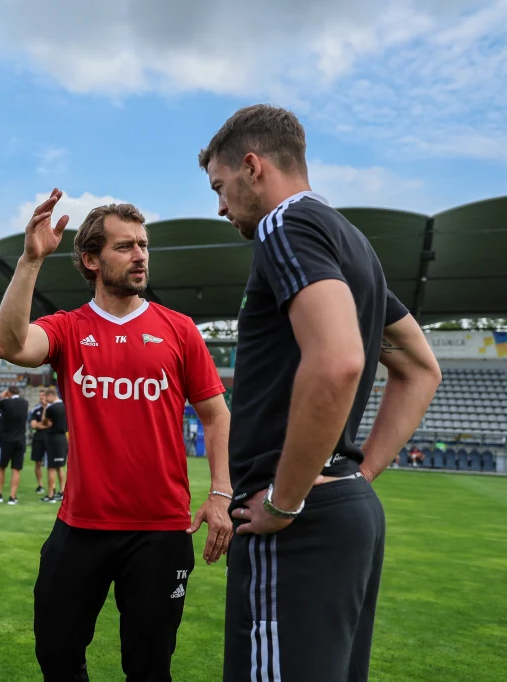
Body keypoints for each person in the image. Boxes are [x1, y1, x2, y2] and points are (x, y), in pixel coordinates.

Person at [200, 104, 441, 682]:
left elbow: (337, 362)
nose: (220, 207)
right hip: (344, 509)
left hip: (297, 523)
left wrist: (286, 500)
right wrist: (357, 474)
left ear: (252, 167)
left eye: (220, 187)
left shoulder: (284, 226)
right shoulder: (352, 242)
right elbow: (419, 367)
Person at [0, 193, 234, 681]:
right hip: (80, 526)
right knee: (56, 654)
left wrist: (221, 493)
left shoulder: (179, 330)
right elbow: (9, 344)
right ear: (91, 259)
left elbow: (215, 415)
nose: (140, 255)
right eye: (125, 247)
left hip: (161, 531)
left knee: (148, 668)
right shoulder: (67, 328)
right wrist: (31, 261)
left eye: (143, 245)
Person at [0, 385, 30, 505]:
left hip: (6, 440)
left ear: (8, 393)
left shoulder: (5, 402)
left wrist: (0, 397)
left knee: (1, 467)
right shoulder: (25, 403)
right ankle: (12, 497)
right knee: (16, 469)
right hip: (20, 440)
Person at [40, 387, 68, 504]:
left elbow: (45, 422)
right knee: (60, 466)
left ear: (50, 395)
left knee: (51, 467)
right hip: (63, 438)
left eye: (46, 397)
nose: (46, 400)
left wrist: (45, 407)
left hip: (53, 439)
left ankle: (51, 494)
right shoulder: (66, 405)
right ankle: (62, 492)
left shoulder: (51, 408)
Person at [29, 391, 49, 494]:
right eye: (40, 395)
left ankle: (53, 487)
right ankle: (40, 485)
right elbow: (33, 425)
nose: (41, 397)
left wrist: (39, 424)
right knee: (38, 463)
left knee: (52, 464)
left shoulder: (52, 408)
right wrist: (45, 425)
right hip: (38, 438)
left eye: (43, 395)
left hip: (50, 438)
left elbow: (53, 424)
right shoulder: (35, 410)